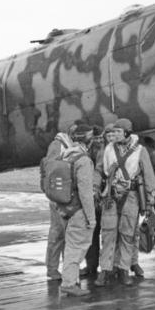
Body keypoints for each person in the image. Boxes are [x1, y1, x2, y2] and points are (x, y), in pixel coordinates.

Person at [94, 118, 155, 287]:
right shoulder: (108, 149)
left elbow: (149, 175)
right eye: (113, 132)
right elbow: (100, 170)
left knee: (128, 234)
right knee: (108, 234)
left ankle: (124, 269)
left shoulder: (140, 151)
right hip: (111, 195)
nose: (113, 134)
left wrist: (150, 200)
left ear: (127, 133)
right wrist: (95, 187)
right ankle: (105, 270)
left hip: (132, 195)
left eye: (118, 131)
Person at [56, 124, 97, 297]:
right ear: (87, 139)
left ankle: (70, 281)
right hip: (79, 210)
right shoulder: (84, 160)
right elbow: (86, 192)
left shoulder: (65, 155)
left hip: (66, 208)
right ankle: (69, 284)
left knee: (71, 246)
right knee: (77, 247)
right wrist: (91, 218)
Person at [44, 120, 83, 281]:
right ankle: (52, 269)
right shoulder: (58, 145)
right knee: (58, 233)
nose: (76, 135)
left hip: (72, 197)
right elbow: (51, 170)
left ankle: (69, 268)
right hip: (60, 197)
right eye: (74, 132)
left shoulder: (76, 146)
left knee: (70, 234)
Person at [80, 124, 107, 278]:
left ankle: (108, 268)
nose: (97, 141)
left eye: (99, 137)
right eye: (94, 138)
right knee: (91, 233)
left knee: (109, 234)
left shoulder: (107, 152)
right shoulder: (87, 152)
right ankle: (91, 266)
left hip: (104, 196)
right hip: (92, 198)